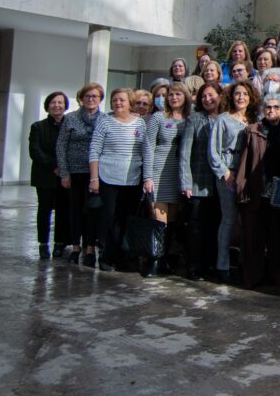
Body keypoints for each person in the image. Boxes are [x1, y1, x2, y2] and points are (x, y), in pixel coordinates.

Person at [90, 88, 151, 272]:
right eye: (115, 100)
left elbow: (145, 152)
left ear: (129, 102)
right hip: (108, 178)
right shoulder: (104, 122)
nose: (118, 103)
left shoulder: (140, 124)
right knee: (109, 219)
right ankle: (107, 256)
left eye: (122, 100)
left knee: (127, 220)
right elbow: (94, 151)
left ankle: (124, 258)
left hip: (132, 180)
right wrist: (94, 178)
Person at [234, 92, 280, 289]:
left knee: (277, 237)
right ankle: (253, 276)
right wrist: (241, 187)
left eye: (276, 107)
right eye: (268, 107)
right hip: (258, 189)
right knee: (253, 236)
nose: (272, 110)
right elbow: (244, 162)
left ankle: (277, 275)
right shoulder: (252, 131)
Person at [208, 80, 260, 283]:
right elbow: (213, 150)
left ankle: (244, 264)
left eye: (245, 94)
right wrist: (224, 172)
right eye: (237, 94)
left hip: (248, 176)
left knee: (247, 221)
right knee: (229, 220)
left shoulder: (254, 121)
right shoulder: (223, 119)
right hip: (229, 174)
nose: (241, 97)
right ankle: (222, 265)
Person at [141, 82, 189, 277]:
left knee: (173, 221)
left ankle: (165, 258)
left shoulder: (189, 119)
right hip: (159, 172)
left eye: (178, 94)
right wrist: (148, 176)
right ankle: (154, 259)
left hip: (179, 174)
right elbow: (148, 146)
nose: (174, 98)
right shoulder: (158, 118)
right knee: (159, 220)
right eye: (170, 95)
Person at [57, 83, 104, 266]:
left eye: (94, 96)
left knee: (92, 211)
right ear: (81, 99)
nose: (91, 99)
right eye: (87, 96)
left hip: (96, 173)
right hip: (74, 171)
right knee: (75, 211)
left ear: (100, 99)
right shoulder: (70, 119)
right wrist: (64, 172)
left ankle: (90, 248)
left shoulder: (105, 119)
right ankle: (76, 247)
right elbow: (61, 146)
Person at [179, 82, 222, 280]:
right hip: (198, 182)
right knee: (196, 227)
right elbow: (185, 154)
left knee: (214, 227)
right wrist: (186, 182)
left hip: (219, 184)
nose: (207, 99)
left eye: (211, 95)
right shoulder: (194, 120)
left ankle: (210, 265)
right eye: (203, 96)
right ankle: (194, 266)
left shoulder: (225, 119)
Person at [30, 91, 70, 260]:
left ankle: (60, 243)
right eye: (53, 102)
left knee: (63, 210)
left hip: (65, 176)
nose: (57, 105)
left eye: (60, 102)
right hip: (45, 175)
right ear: (47, 105)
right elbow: (35, 151)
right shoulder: (38, 127)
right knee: (44, 210)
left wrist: (63, 168)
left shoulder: (69, 124)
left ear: (65, 105)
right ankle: (43, 243)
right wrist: (54, 165)